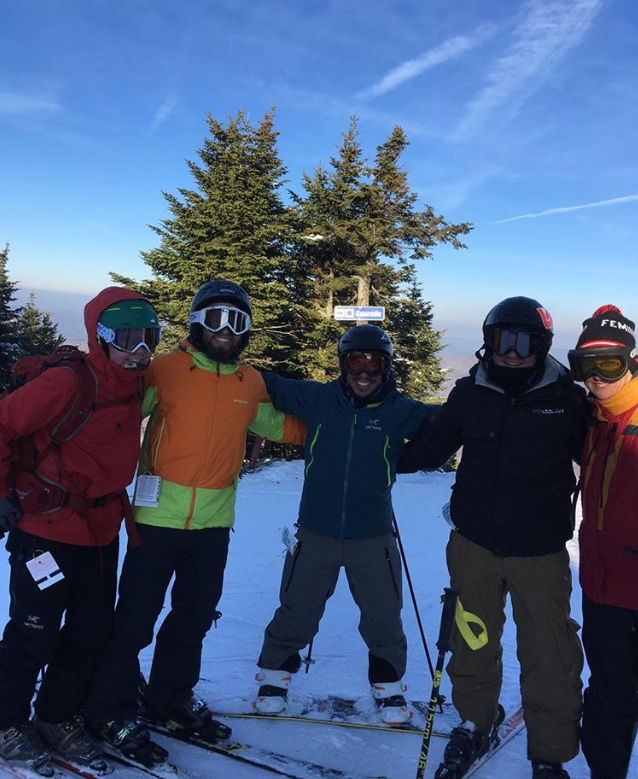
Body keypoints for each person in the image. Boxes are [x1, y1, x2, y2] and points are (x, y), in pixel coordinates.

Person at [85, 279, 305, 765]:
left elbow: (280, 425)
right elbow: (117, 411)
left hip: (212, 525)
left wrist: (341, 428)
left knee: (193, 619)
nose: (226, 329)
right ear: (195, 322)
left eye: (237, 320)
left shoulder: (250, 382)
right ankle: (109, 709)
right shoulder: (164, 369)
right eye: (215, 317)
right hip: (155, 519)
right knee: (135, 620)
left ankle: (170, 699)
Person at [399, 297, 587, 779]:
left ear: (543, 344)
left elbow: (604, 457)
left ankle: (550, 752)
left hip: (540, 550)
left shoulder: (567, 399)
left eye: (524, 342)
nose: (513, 353)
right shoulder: (470, 393)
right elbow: (432, 446)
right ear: (489, 341)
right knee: (472, 642)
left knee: (549, 653)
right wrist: (369, 452)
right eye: (503, 340)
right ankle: (474, 720)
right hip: (475, 544)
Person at [0, 288, 161, 776]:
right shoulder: (70, 381)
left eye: (149, 338)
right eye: (127, 339)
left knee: (90, 632)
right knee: (34, 632)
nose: (139, 350)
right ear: (101, 337)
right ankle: (6, 724)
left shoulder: (135, 383)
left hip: (100, 532)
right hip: (47, 530)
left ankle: (56, 717)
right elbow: (3, 423)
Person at [253, 324, 434, 726]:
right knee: (298, 608)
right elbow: (267, 383)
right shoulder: (319, 399)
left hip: (373, 536)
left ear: (386, 367)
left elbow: (448, 422)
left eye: (374, 364)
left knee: (383, 614)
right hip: (315, 531)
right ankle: (273, 679)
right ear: (343, 364)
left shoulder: (399, 411)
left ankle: (388, 687)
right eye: (356, 362)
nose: (364, 373)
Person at [567, 305, 638, 779]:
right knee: (610, 692)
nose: (596, 376)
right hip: (602, 585)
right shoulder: (593, 417)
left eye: (609, 363)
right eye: (585, 365)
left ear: (630, 361)